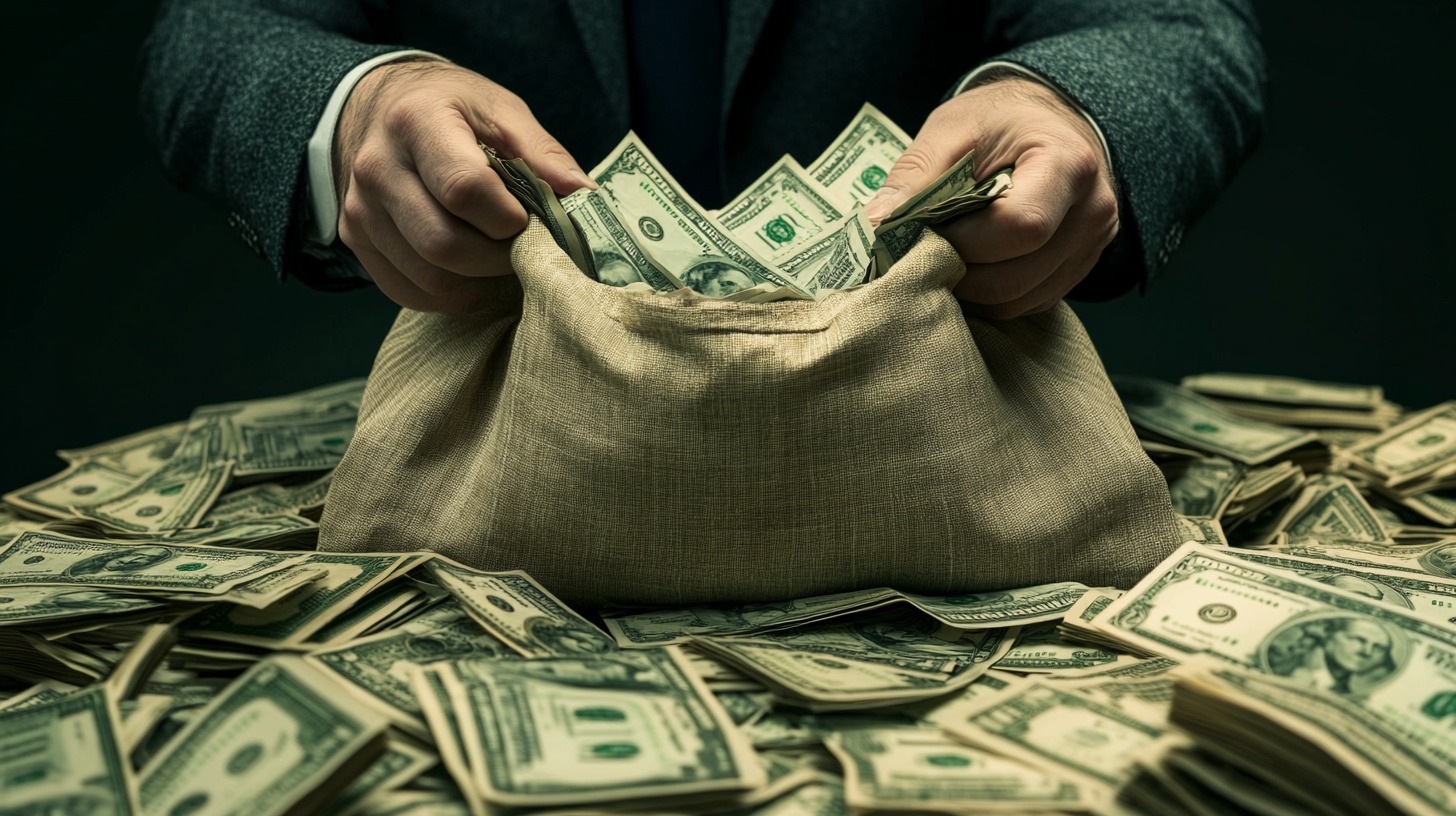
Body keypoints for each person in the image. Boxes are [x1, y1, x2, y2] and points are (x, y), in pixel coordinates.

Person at [139, 1, 1265, 320]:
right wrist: (357, 109)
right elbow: (213, 30)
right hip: (512, 483)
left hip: (931, 451)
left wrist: (1066, 110)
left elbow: (1170, 27)